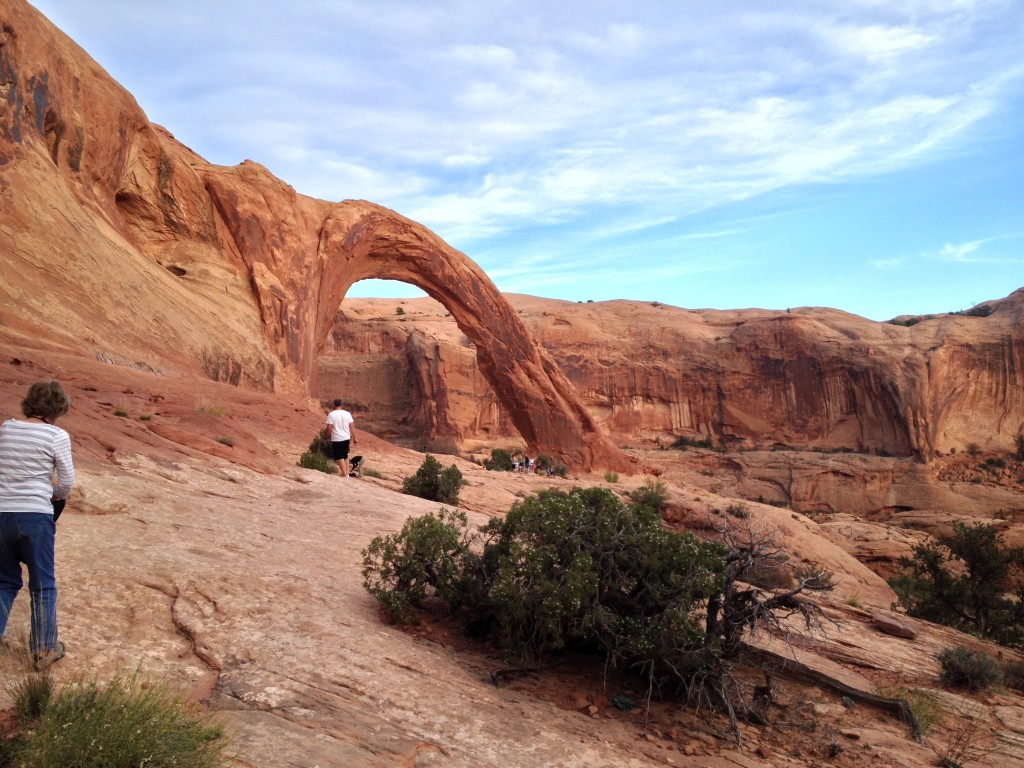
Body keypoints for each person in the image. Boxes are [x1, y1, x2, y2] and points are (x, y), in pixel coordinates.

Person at [0, 381, 75, 670]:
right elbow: (66, 483)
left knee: (4, 582)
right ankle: (44, 651)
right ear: (57, 409)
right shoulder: (56, 435)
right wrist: (54, 498)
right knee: (42, 584)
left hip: (2, 513)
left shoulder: (6, 429)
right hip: (35, 517)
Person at [324, 398, 357, 477]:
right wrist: (355, 438)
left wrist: (325, 437)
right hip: (346, 438)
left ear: (334, 405)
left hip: (337, 438)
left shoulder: (331, 414)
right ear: (341, 404)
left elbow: (329, 428)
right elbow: (352, 426)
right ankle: (347, 474)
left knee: (340, 457)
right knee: (345, 456)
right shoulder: (347, 414)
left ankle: (345, 475)